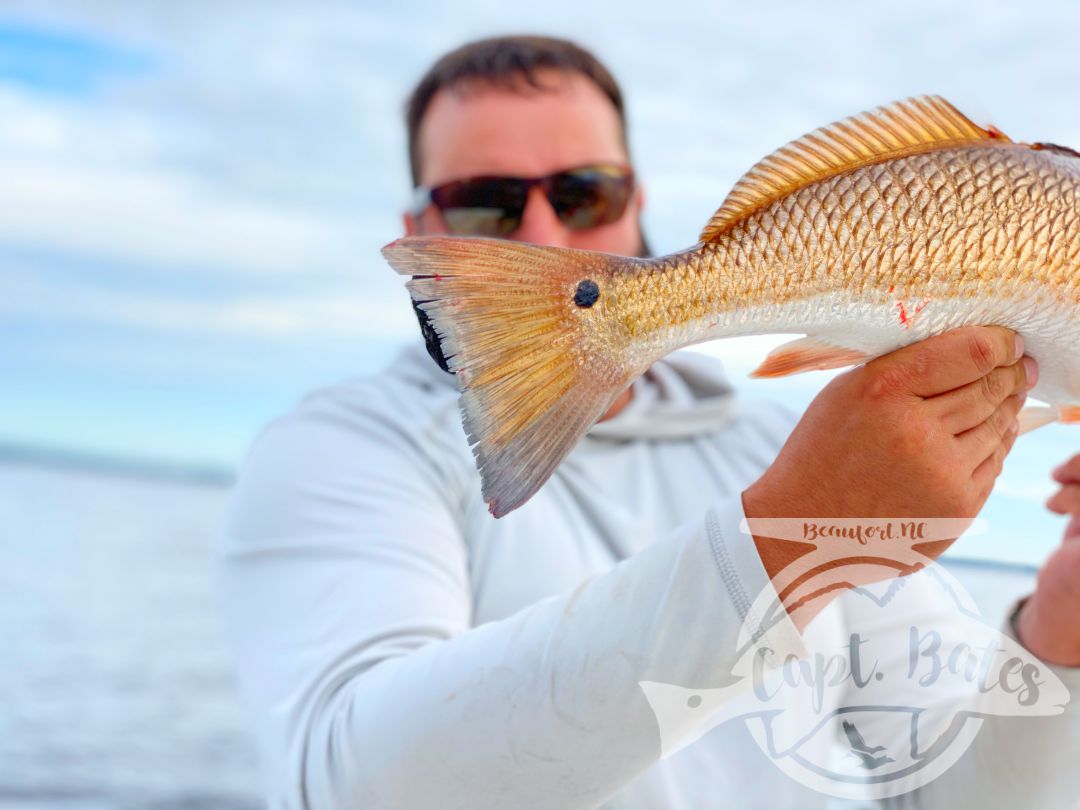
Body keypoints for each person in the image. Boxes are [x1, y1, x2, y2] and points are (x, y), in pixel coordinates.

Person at [222, 35, 1080, 809]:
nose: (543, 235)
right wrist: (790, 535)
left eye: (584, 193)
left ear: (636, 202)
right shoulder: (342, 451)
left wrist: (1060, 634)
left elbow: (954, 793)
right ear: (419, 230)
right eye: (486, 202)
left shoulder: (797, 447)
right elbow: (348, 787)